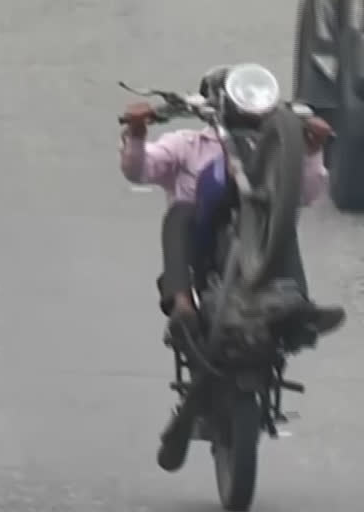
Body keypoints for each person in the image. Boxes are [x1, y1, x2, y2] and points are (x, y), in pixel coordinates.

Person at [119, 63, 345, 349]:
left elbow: (305, 195)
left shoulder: (276, 149)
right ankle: (182, 304)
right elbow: (138, 171)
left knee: (279, 220)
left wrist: (313, 151)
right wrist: (137, 132)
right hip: (200, 247)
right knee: (180, 212)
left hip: (259, 249)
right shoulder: (187, 144)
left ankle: (299, 306)